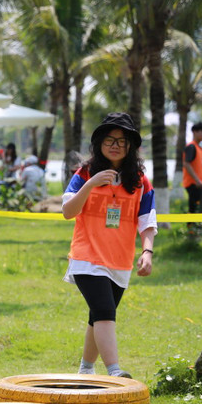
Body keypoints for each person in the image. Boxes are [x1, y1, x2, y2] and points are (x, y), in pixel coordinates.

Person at [61, 112, 156, 379]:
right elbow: (68, 211)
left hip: (120, 261)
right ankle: (115, 371)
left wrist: (147, 252)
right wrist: (91, 183)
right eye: (109, 139)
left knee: (98, 315)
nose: (115, 145)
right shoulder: (85, 173)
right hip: (86, 257)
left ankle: (85, 370)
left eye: (122, 140)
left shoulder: (139, 181)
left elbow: (147, 221)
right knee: (105, 312)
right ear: (100, 143)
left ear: (130, 146)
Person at [182, 121, 202, 214]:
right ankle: (191, 227)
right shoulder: (191, 147)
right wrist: (197, 180)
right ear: (195, 132)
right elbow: (186, 164)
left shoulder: (198, 148)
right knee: (194, 209)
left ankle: (198, 227)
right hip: (193, 183)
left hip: (199, 183)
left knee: (201, 209)